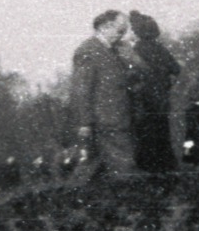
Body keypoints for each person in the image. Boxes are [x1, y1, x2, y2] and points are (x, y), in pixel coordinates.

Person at [69, 10, 133, 175]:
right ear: (105, 27)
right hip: (105, 121)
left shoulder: (113, 50)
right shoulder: (88, 51)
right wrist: (85, 122)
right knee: (122, 168)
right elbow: (82, 89)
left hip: (115, 118)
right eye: (120, 30)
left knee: (99, 170)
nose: (122, 35)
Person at [121, 11, 181, 173]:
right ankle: (167, 170)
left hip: (144, 101)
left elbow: (131, 76)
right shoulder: (161, 49)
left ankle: (150, 172)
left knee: (146, 139)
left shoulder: (137, 50)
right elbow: (176, 69)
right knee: (163, 137)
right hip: (162, 100)